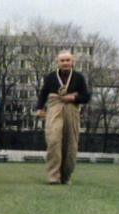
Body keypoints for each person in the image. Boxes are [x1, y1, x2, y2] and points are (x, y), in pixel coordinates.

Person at [37, 50, 90, 185]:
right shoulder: (50, 77)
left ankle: (66, 176)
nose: (65, 63)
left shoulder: (78, 77)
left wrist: (73, 97)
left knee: (70, 144)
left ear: (72, 62)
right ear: (58, 63)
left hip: (71, 112)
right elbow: (43, 93)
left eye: (67, 60)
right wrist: (39, 108)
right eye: (62, 61)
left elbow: (86, 96)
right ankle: (53, 176)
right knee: (54, 141)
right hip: (54, 110)